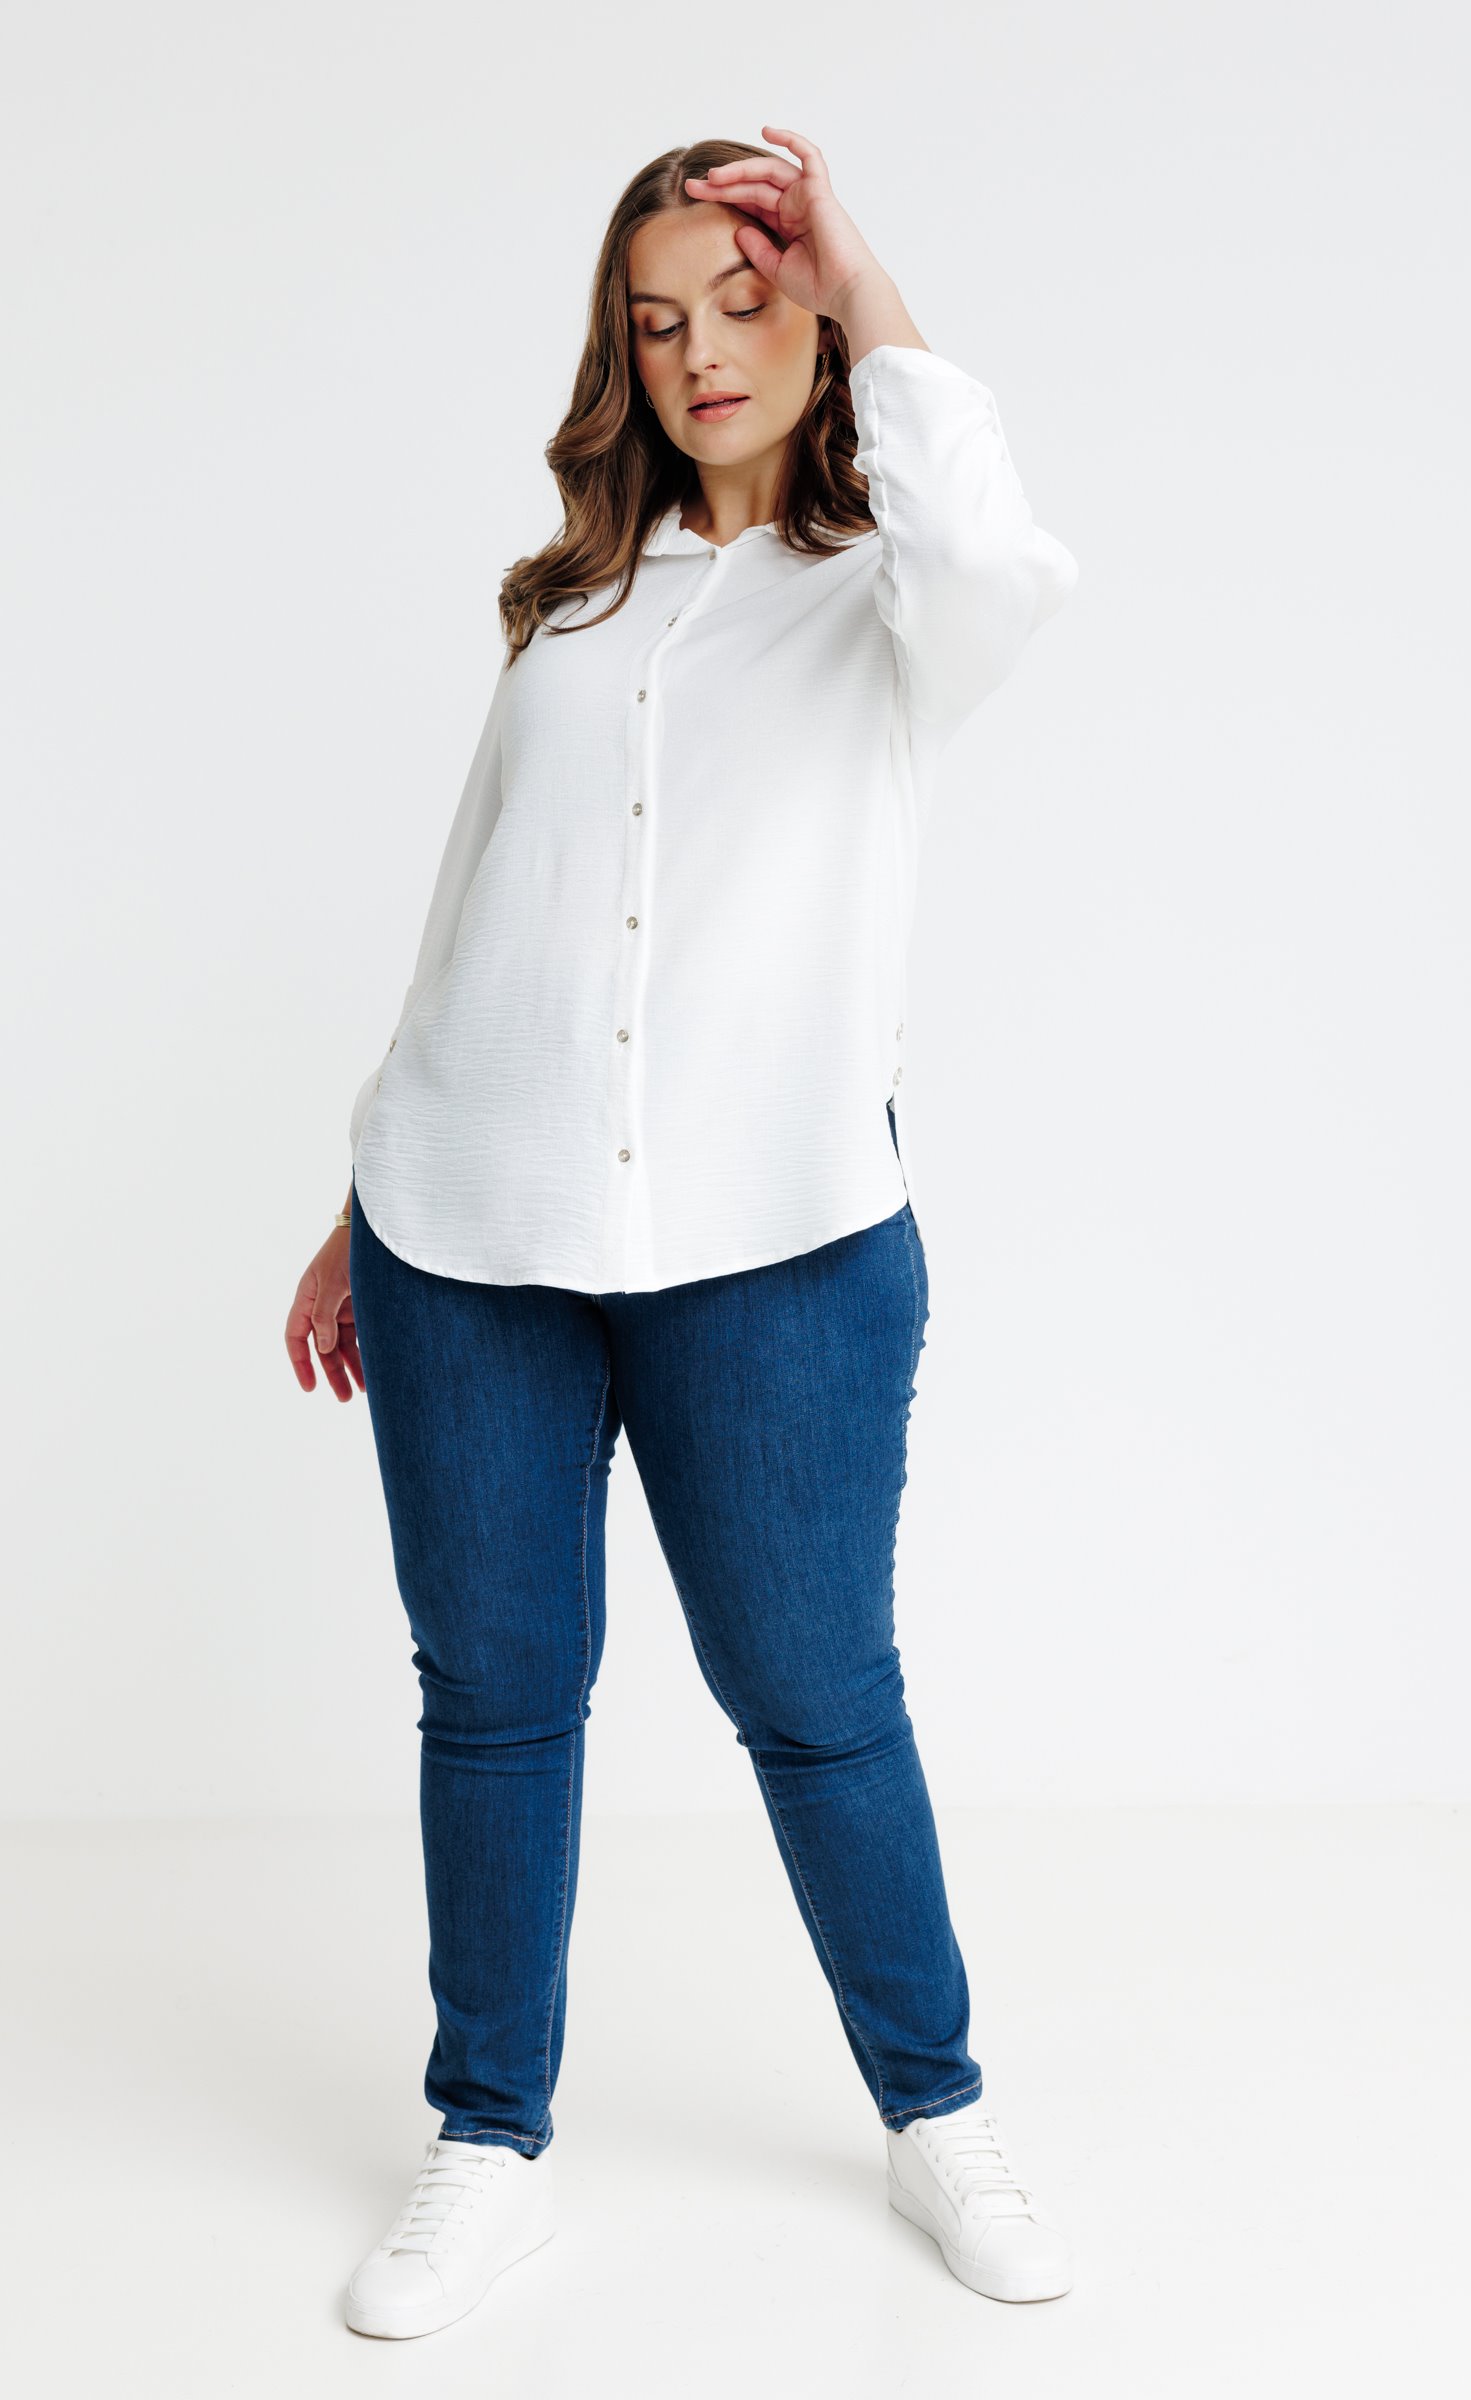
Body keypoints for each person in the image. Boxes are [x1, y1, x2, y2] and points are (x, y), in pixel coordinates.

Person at [286, 126, 1079, 2339]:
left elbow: (999, 552)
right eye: (657, 323)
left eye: (744, 302)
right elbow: (477, 910)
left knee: (817, 1696)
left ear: (813, 316)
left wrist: (860, 266)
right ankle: (487, 2140)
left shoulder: (894, 598)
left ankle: (936, 2113)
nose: (702, 353)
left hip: (783, 1236)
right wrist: (364, 1191)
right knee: (494, 1700)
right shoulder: (566, 610)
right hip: (471, 1235)